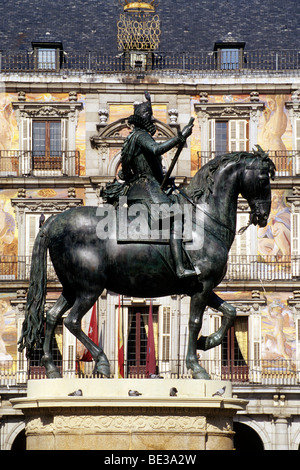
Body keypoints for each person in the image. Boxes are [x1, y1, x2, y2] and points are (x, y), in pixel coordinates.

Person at [102, 92, 197, 279]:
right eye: (149, 116)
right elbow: (156, 149)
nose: (151, 119)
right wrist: (179, 138)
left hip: (140, 187)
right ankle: (179, 268)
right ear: (143, 118)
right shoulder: (141, 136)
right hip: (147, 189)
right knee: (176, 216)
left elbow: (126, 171)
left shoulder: (131, 139)